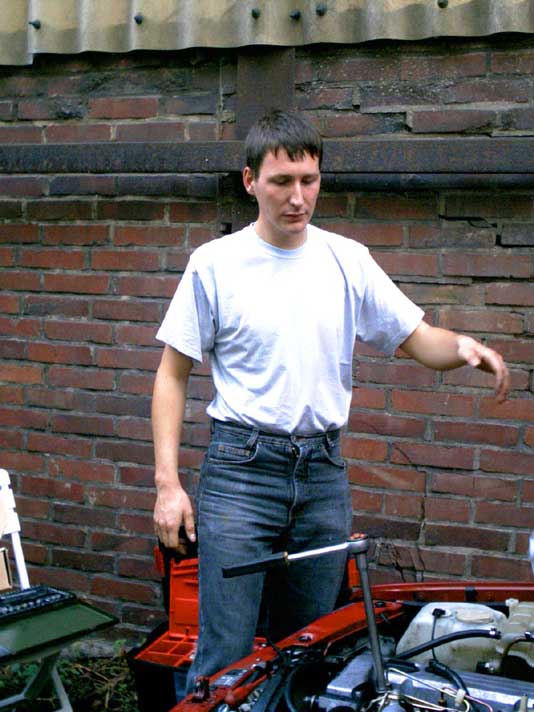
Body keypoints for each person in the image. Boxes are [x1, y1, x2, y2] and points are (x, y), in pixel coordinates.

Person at [152, 110, 510, 687]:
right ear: (250, 181)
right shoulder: (214, 265)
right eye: (281, 182)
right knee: (225, 658)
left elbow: (418, 338)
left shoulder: (347, 259)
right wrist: (168, 485)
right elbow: (172, 375)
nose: (298, 197)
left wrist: (464, 347)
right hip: (241, 475)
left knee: (310, 651)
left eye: (309, 180)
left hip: (322, 475)